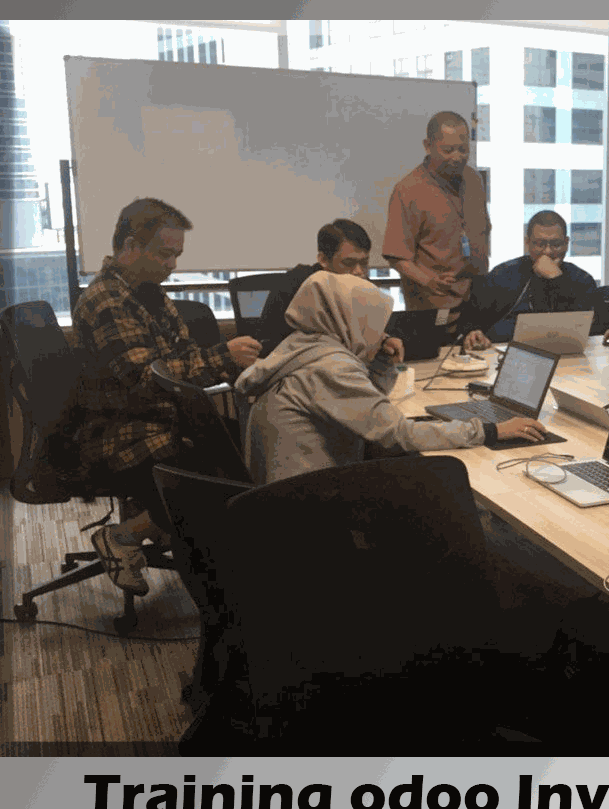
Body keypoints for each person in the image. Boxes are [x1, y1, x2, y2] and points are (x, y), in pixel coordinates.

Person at [64, 198, 263, 596]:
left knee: (246, 449)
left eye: (177, 255)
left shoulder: (149, 295)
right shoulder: (108, 301)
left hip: (159, 421)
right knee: (216, 487)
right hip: (122, 434)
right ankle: (126, 538)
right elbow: (146, 379)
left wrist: (228, 364)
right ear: (131, 246)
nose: (173, 264)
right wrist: (222, 358)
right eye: (164, 254)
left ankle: (190, 548)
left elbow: (183, 357)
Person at [236, 272, 546, 485]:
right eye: (373, 323)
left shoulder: (303, 345)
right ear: (350, 319)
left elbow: (365, 409)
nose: (380, 332)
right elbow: (399, 433)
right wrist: (491, 430)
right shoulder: (330, 366)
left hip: (281, 494)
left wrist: (381, 362)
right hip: (309, 507)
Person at [382, 111, 491, 332]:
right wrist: (429, 281)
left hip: (476, 299)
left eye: (463, 149)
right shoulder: (408, 190)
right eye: (448, 150)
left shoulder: (473, 179)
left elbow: (483, 229)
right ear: (427, 146)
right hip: (433, 306)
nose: (457, 157)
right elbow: (397, 256)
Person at [461, 211, 598, 349]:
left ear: (566, 243)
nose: (548, 252)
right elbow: (471, 323)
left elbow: (582, 331)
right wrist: (474, 334)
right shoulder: (502, 275)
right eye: (540, 244)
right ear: (527, 243)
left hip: (568, 356)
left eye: (556, 244)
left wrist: (556, 278)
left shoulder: (582, 280)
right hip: (503, 353)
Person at [256, 218, 393, 356]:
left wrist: (384, 341)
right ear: (323, 260)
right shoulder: (296, 284)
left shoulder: (363, 286)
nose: (359, 271)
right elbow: (270, 341)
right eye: (348, 263)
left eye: (364, 263)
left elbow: (370, 334)